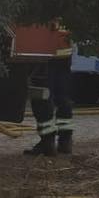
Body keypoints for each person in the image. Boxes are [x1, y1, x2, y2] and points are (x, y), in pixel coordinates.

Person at [24, 23, 75, 156]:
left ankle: (47, 143)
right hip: (64, 53)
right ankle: (65, 141)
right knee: (63, 97)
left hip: (44, 53)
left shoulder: (43, 4)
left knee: (42, 98)